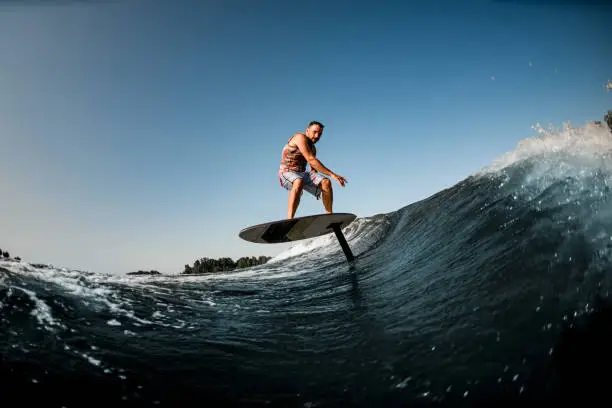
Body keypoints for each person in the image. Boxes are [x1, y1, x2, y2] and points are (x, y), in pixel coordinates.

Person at [278, 121, 348, 219]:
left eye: (320, 134)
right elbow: (311, 159)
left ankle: (329, 217)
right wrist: (333, 175)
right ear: (307, 130)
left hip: (302, 174)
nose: (317, 136)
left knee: (326, 182)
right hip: (286, 172)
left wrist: (317, 186)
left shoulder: (313, 149)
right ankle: (289, 219)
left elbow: (313, 169)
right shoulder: (299, 137)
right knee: (299, 181)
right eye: (314, 132)